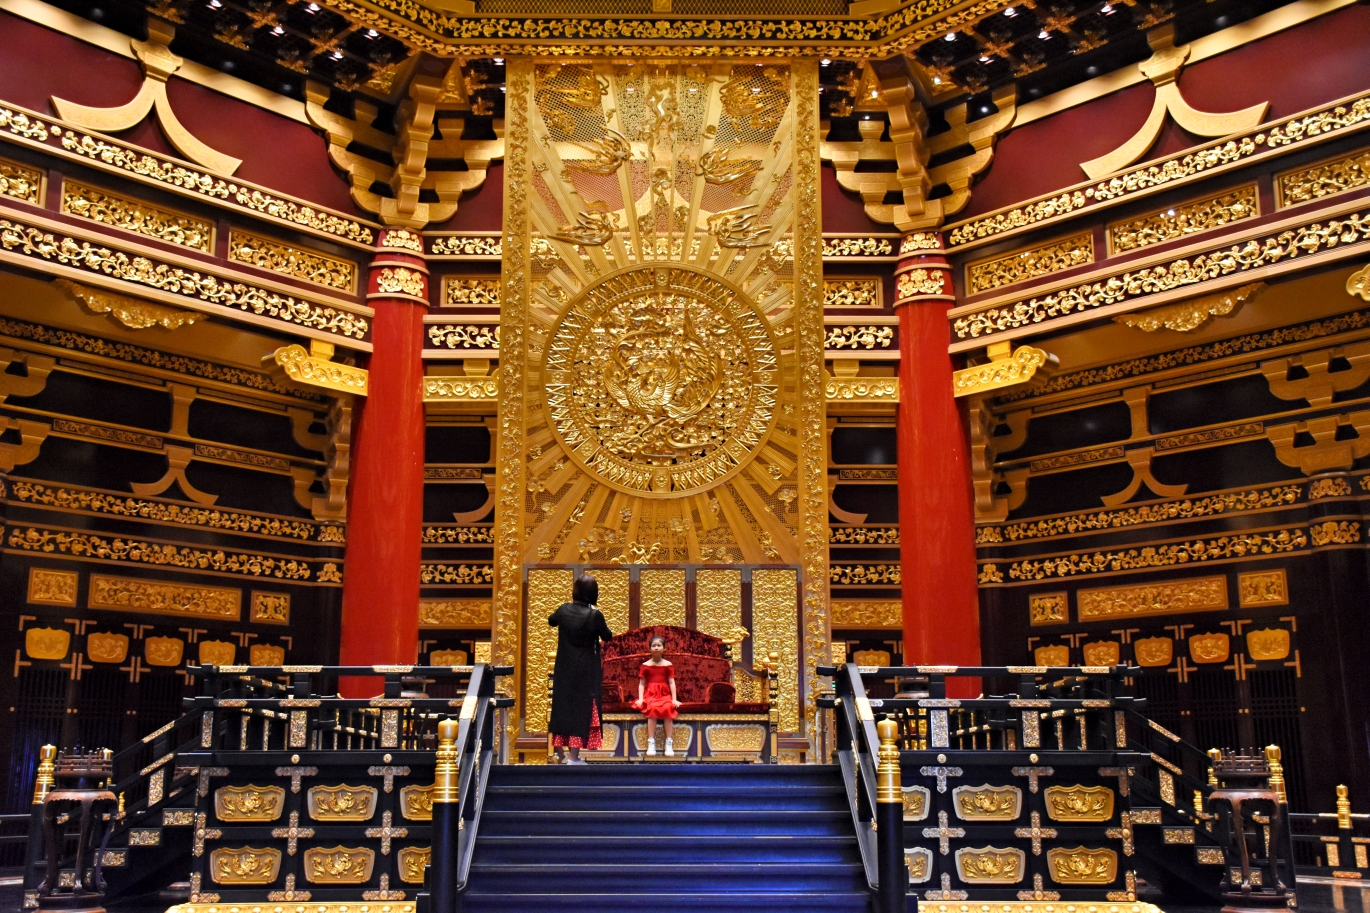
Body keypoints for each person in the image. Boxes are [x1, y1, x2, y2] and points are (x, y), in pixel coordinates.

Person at [548, 573, 613, 765]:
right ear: (594, 593)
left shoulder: (563, 609)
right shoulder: (594, 615)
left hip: (563, 667)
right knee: (580, 709)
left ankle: (561, 754)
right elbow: (607, 636)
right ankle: (574, 757)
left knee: (562, 707)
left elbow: (551, 620)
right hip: (585, 669)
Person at [633, 635, 681, 757]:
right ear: (649, 648)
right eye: (653, 646)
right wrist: (641, 699)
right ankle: (651, 741)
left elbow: (672, 682)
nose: (656, 648)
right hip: (651, 694)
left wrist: (674, 699)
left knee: (668, 708)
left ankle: (669, 742)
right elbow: (641, 684)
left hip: (664, 694)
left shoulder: (668, 664)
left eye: (659, 645)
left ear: (664, 648)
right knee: (653, 708)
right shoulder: (645, 665)